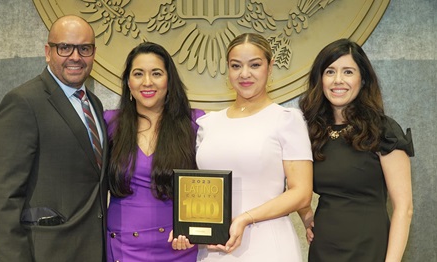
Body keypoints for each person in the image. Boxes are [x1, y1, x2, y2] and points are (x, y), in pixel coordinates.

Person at [0, 15, 109, 261]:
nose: (75, 57)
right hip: (43, 253)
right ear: (48, 52)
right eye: (65, 47)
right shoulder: (23, 102)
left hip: (91, 250)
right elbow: (2, 196)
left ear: (93, 53)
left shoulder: (94, 103)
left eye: (84, 48)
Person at [194, 33, 313, 261]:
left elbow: (301, 193)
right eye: (236, 66)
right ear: (227, 70)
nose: (244, 74)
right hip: (215, 248)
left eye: (255, 65)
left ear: (270, 67)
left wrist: (245, 218)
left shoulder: (286, 119)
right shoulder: (208, 124)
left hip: (268, 245)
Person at [297, 38, 414, 261]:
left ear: (363, 79)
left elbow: (404, 209)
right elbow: (294, 187)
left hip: (369, 249)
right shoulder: (311, 132)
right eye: (330, 72)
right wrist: (305, 214)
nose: (338, 80)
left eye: (348, 72)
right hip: (323, 249)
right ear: (320, 79)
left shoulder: (383, 130)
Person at [104, 41, 205, 261]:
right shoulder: (110, 123)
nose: (147, 82)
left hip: (179, 245)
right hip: (122, 246)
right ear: (128, 82)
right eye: (138, 74)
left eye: (156, 73)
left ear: (169, 80)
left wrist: (194, 226)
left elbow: (208, 186)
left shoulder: (194, 122)